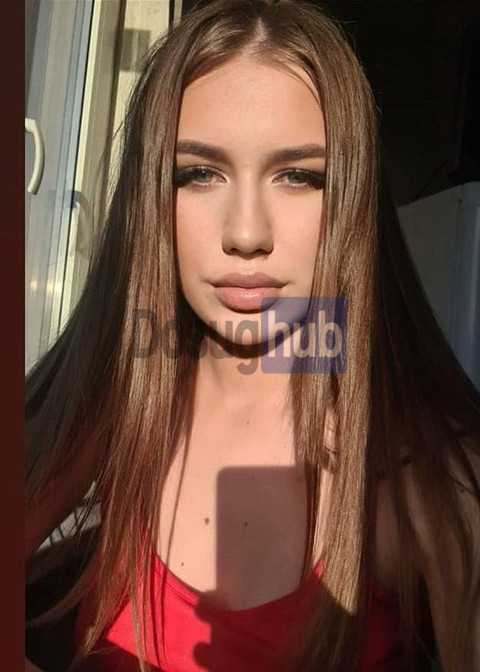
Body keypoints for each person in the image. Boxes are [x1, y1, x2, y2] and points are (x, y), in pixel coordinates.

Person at [25, 1, 480, 671]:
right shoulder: (116, 407)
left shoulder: (428, 479)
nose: (246, 233)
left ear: (352, 199)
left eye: (299, 176)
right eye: (198, 173)